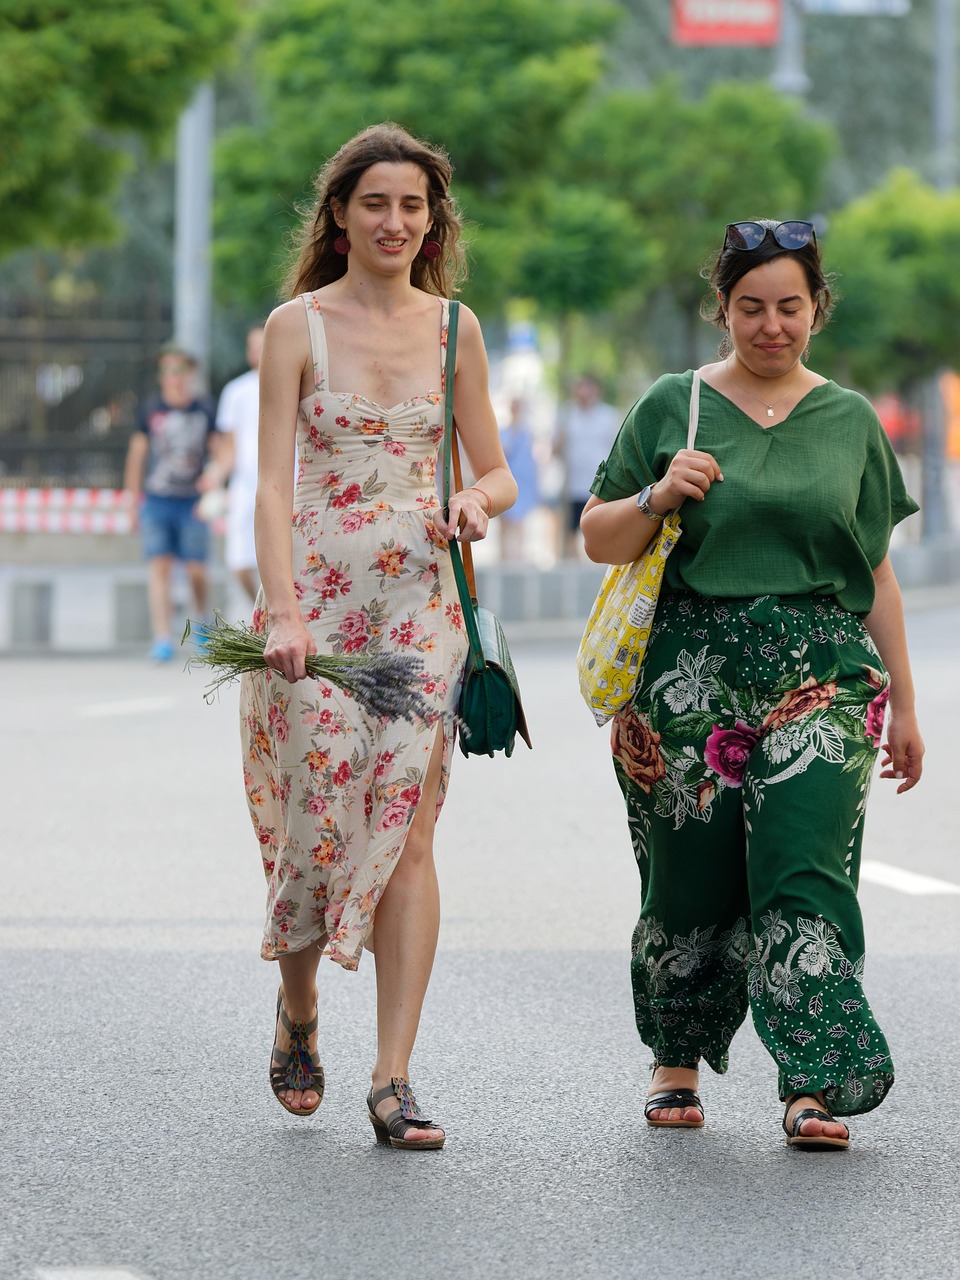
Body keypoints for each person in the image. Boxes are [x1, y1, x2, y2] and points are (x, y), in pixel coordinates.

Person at [581, 219, 923, 1151]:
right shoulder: (671, 403)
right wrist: (657, 497)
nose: (771, 326)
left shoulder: (850, 420)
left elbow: (878, 571)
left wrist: (908, 706)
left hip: (822, 675)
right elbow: (597, 536)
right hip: (688, 679)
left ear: (818, 309)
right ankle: (677, 1058)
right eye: (750, 308)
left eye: (790, 307)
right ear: (721, 309)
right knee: (689, 879)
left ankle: (816, 1078)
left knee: (803, 872)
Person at [239, 123, 516, 1148]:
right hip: (314, 608)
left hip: (422, 610)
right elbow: (269, 481)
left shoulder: (458, 330)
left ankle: (393, 1076)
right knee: (314, 825)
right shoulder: (294, 327)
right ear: (340, 217)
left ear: (432, 220)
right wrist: (281, 607)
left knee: (406, 831)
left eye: (414, 206)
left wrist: (477, 503)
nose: (396, 222)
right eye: (376, 204)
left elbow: (497, 469)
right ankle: (300, 1006)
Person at [123, 345, 222, 661]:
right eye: (166, 370)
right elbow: (137, 454)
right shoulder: (151, 409)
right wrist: (131, 498)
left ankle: (201, 619)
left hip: (192, 500)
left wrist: (216, 481)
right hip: (157, 499)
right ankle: (163, 637)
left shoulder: (204, 409)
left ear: (189, 374)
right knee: (160, 566)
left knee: (196, 569)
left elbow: (219, 451)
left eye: (178, 370)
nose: (172, 377)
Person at [215, 325, 265, 601]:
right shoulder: (235, 391)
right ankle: (263, 617)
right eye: (254, 347)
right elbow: (229, 446)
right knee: (239, 561)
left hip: (290, 485)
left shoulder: (295, 384)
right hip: (246, 487)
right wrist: (215, 475)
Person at [555, 374, 620, 558]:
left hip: (599, 485)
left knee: (600, 528)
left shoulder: (609, 416)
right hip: (573, 484)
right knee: (571, 530)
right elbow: (556, 447)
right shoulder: (567, 414)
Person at [498, 396, 539, 561]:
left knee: (519, 523)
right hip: (506, 479)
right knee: (505, 522)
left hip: (522, 481)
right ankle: (504, 558)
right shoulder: (503, 432)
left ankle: (517, 558)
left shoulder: (527, 432)